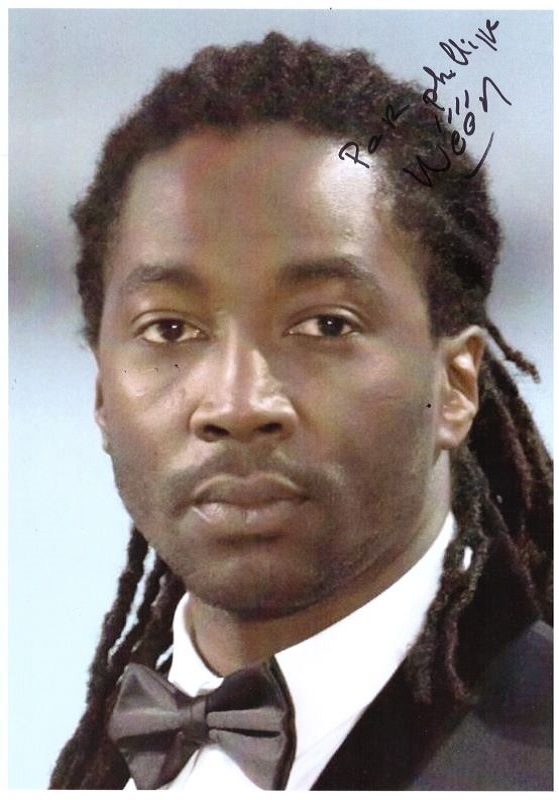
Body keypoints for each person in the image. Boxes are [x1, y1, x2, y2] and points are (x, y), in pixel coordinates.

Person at [49, 32, 552, 791]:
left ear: (455, 386)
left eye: (326, 325)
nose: (236, 404)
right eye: (170, 330)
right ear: (101, 393)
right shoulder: (90, 767)